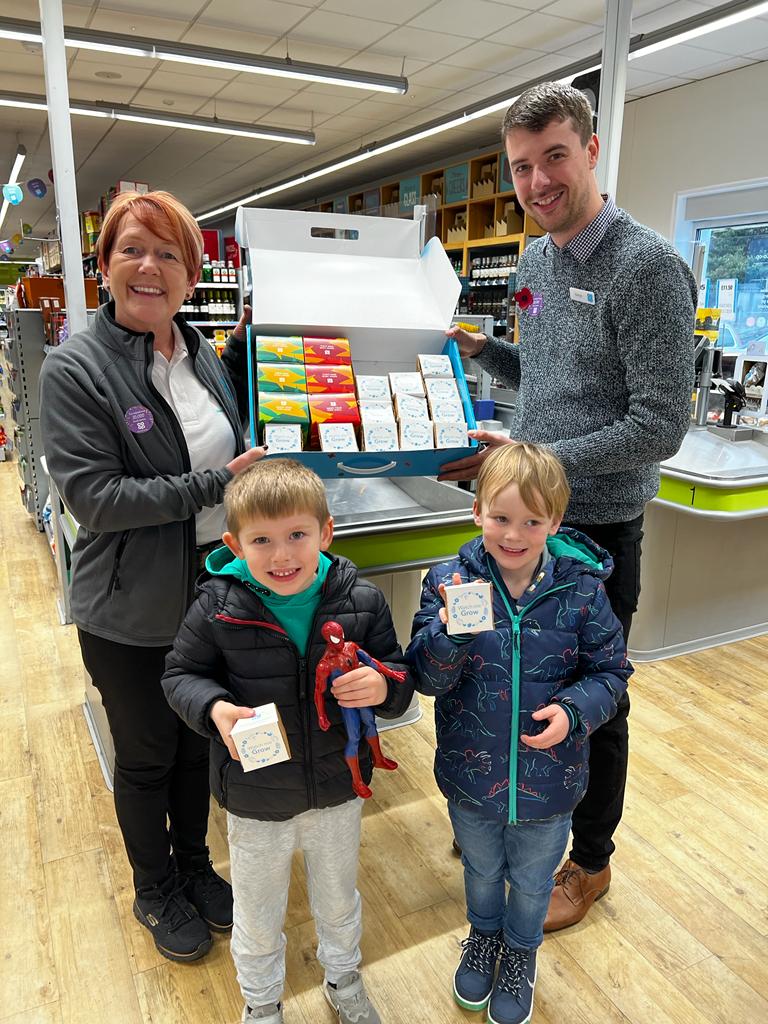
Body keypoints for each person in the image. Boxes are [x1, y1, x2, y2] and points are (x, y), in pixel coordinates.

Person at [440, 81, 697, 930]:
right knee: (508, 677)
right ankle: (510, 810)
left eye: (554, 156)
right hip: (525, 525)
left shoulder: (649, 266)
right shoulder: (539, 258)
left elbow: (658, 424)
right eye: (522, 166)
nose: (539, 180)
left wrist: (531, 465)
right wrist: (491, 353)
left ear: (591, 149)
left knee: (594, 696)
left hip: (595, 531)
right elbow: (552, 376)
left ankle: (590, 862)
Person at [39, 190, 265, 962]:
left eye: (170, 254)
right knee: (146, 755)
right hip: (128, 610)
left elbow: (233, 454)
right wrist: (211, 486)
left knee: (198, 742)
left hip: (209, 595)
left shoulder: (200, 352)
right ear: (103, 266)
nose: (150, 267)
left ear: (192, 275)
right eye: (132, 249)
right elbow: (95, 500)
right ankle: (154, 886)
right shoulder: (76, 369)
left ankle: (196, 865)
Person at [161, 458, 413, 1024]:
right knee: (256, 909)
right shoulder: (217, 607)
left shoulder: (362, 601)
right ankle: (261, 1002)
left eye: (298, 535)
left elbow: (399, 679)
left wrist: (381, 687)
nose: (282, 556)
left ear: (326, 532)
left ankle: (344, 978)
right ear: (234, 543)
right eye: (262, 540)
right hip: (257, 799)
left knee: (338, 896)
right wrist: (213, 707)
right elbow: (179, 675)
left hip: (338, 792)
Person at [407, 442, 631, 1024]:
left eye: (532, 521)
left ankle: (520, 954)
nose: (514, 534)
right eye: (501, 518)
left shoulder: (581, 590)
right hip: (470, 775)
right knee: (480, 869)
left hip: (550, 782)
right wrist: (449, 635)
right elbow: (426, 678)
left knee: (532, 883)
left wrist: (574, 711)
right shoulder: (448, 583)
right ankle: (483, 938)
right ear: (476, 510)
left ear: (555, 522)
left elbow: (610, 671)